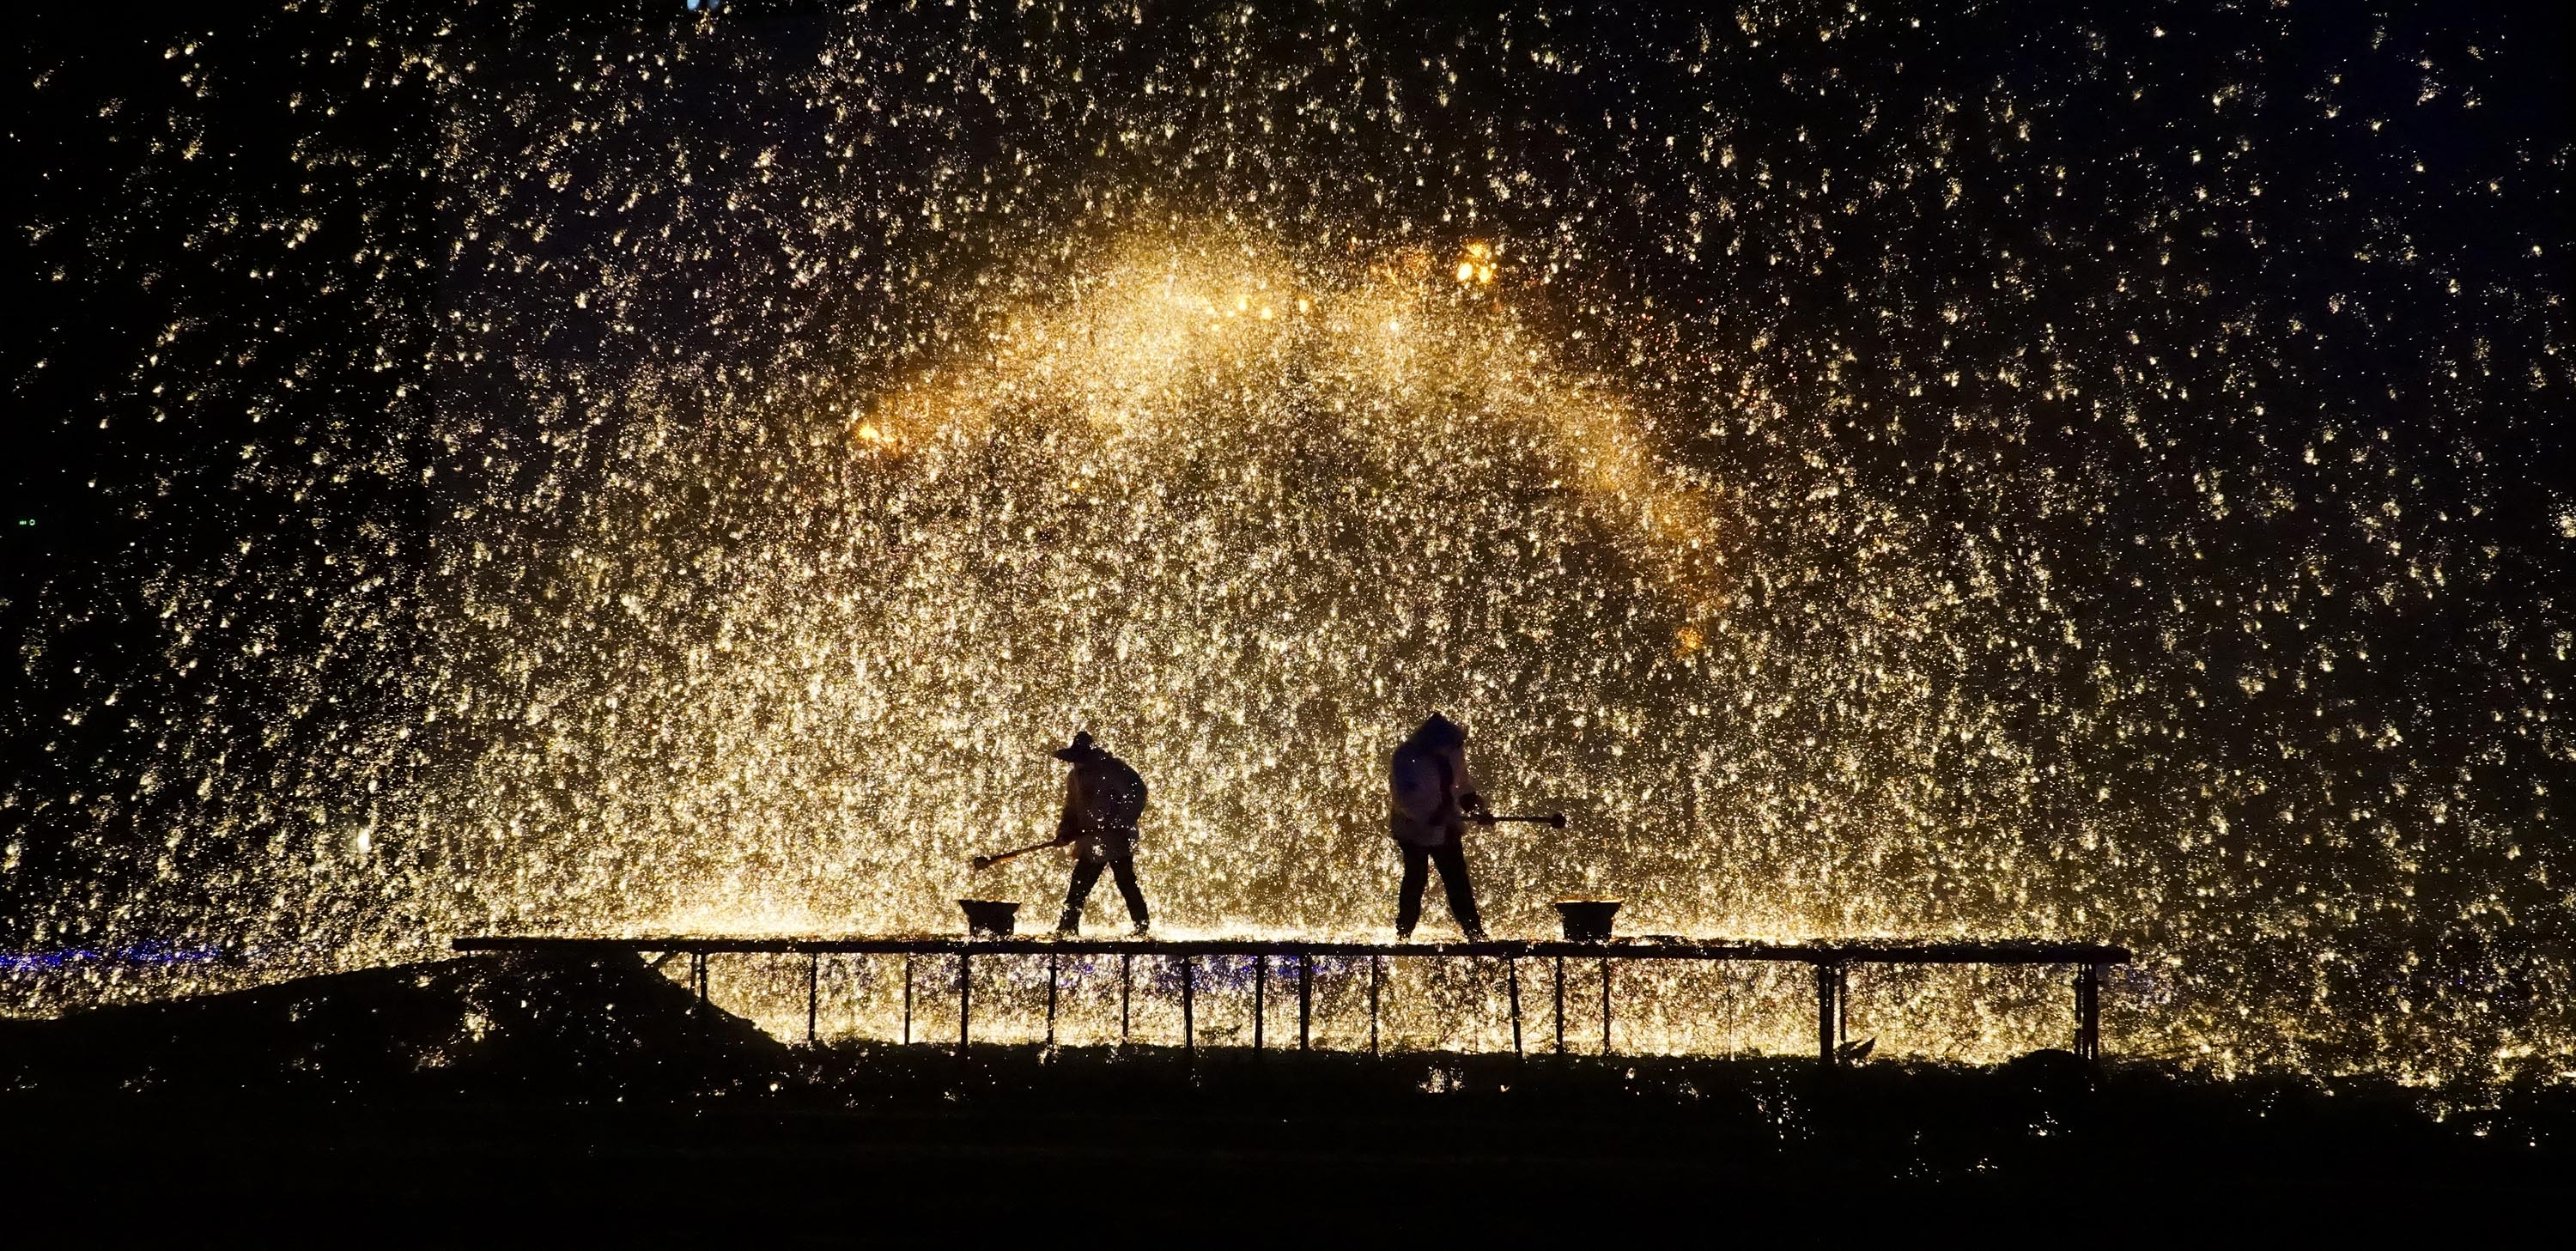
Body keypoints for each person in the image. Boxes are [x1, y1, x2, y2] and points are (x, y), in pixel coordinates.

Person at [1386, 712, 1488, 941]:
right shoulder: (1406, 757)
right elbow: (1404, 798)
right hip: (1413, 831)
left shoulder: (1452, 751)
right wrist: (1430, 816)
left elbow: (1462, 784)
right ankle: (1404, 932)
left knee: (1457, 879)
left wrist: (1474, 805)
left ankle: (1474, 931)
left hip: (1447, 828)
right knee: (1416, 878)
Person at [1048, 731, 1151, 935]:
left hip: (1116, 838)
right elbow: (1071, 808)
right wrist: (1065, 831)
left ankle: (1141, 927)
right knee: (1079, 883)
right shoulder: (1075, 777)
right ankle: (1068, 926)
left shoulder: (1114, 770)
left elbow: (1138, 792)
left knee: (1125, 882)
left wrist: (1120, 819)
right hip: (1090, 840)